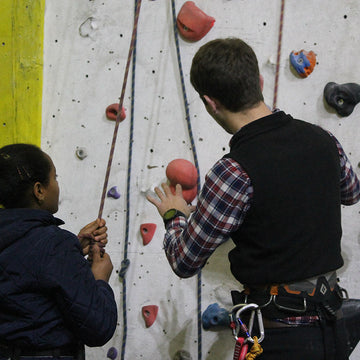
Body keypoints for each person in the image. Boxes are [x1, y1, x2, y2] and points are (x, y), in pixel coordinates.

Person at [147, 38, 360, 360]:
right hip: (332, 325)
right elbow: (352, 192)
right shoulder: (322, 138)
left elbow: (184, 260)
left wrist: (173, 216)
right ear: (259, 82)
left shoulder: (233, 172)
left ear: (210, 103)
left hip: (281, 336)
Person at [0, 143, 117, 360]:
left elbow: (26, 269)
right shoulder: (55, 246)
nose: (57, 185)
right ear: (39, 191)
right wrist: (100, 279)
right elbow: (98, 328)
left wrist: (72, 247)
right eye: (55, 178)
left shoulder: (48, 245)